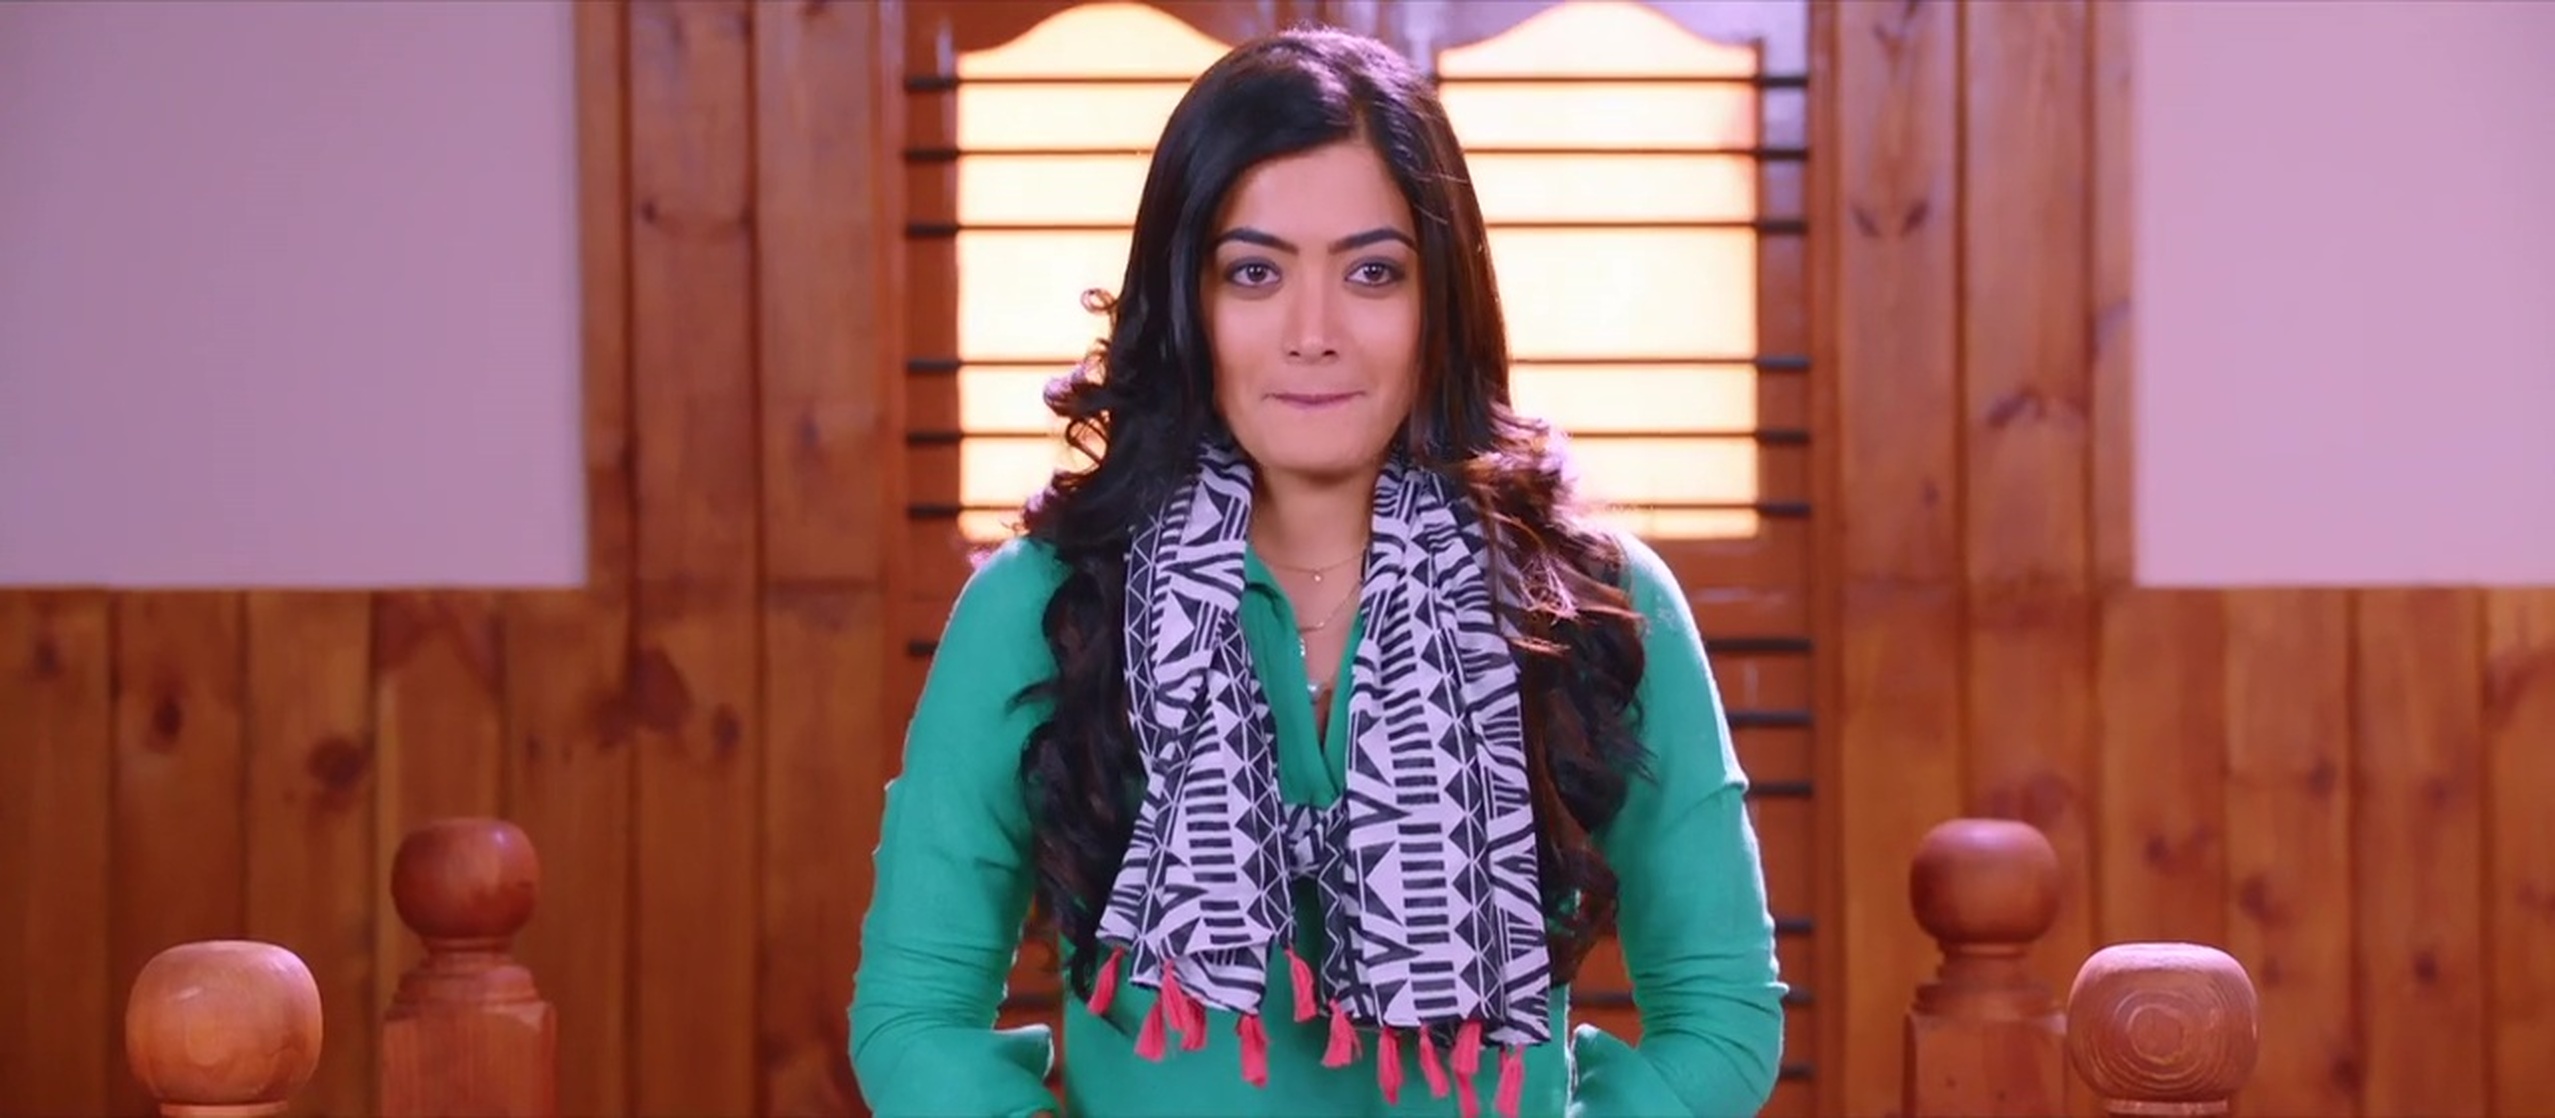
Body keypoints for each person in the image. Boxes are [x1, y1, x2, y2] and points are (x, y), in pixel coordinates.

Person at [847, 24, 1785, 1118]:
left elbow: (1722, 1014)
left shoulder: (1591, 603)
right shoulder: (1041, 605)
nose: (1313, 332)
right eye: (1254, 272)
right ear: (1187, 301)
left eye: (1371, 272)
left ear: (1441, 301)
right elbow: (912, 1019)